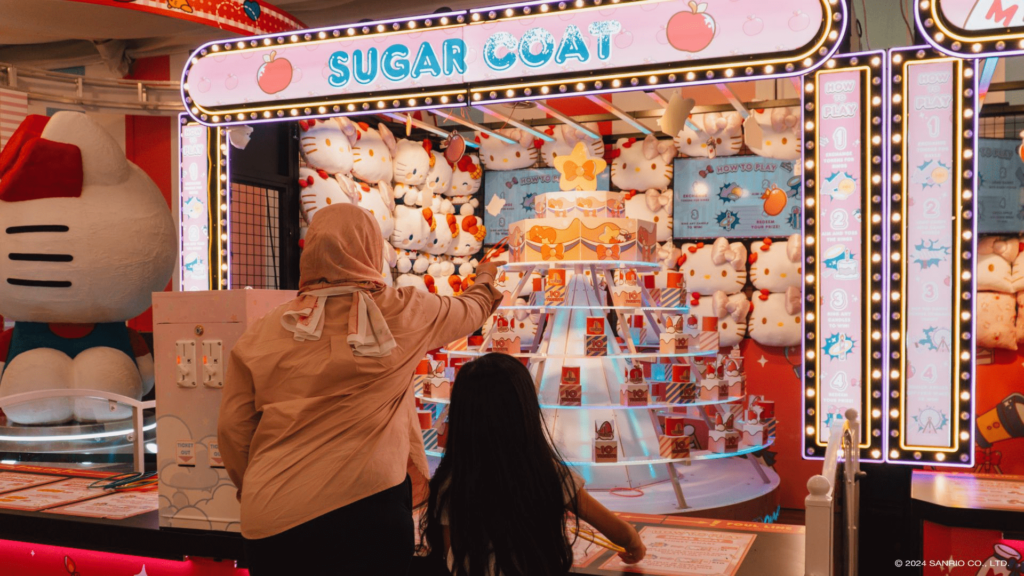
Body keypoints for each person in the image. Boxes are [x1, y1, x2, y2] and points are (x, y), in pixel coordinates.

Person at [218, 203, 502, 575]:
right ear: (372, 249)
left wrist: (261, 486)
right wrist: (484, 277)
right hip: (369, 513)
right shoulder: (406, 312)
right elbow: (473, 308)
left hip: (273, 517)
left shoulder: (264, 329)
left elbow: (232, 428)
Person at [421, 353, 646, 576]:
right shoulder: (545, 472)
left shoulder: (452, 483)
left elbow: (452, 557)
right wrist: (634, 544)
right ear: (524, 411)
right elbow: (619, 531)